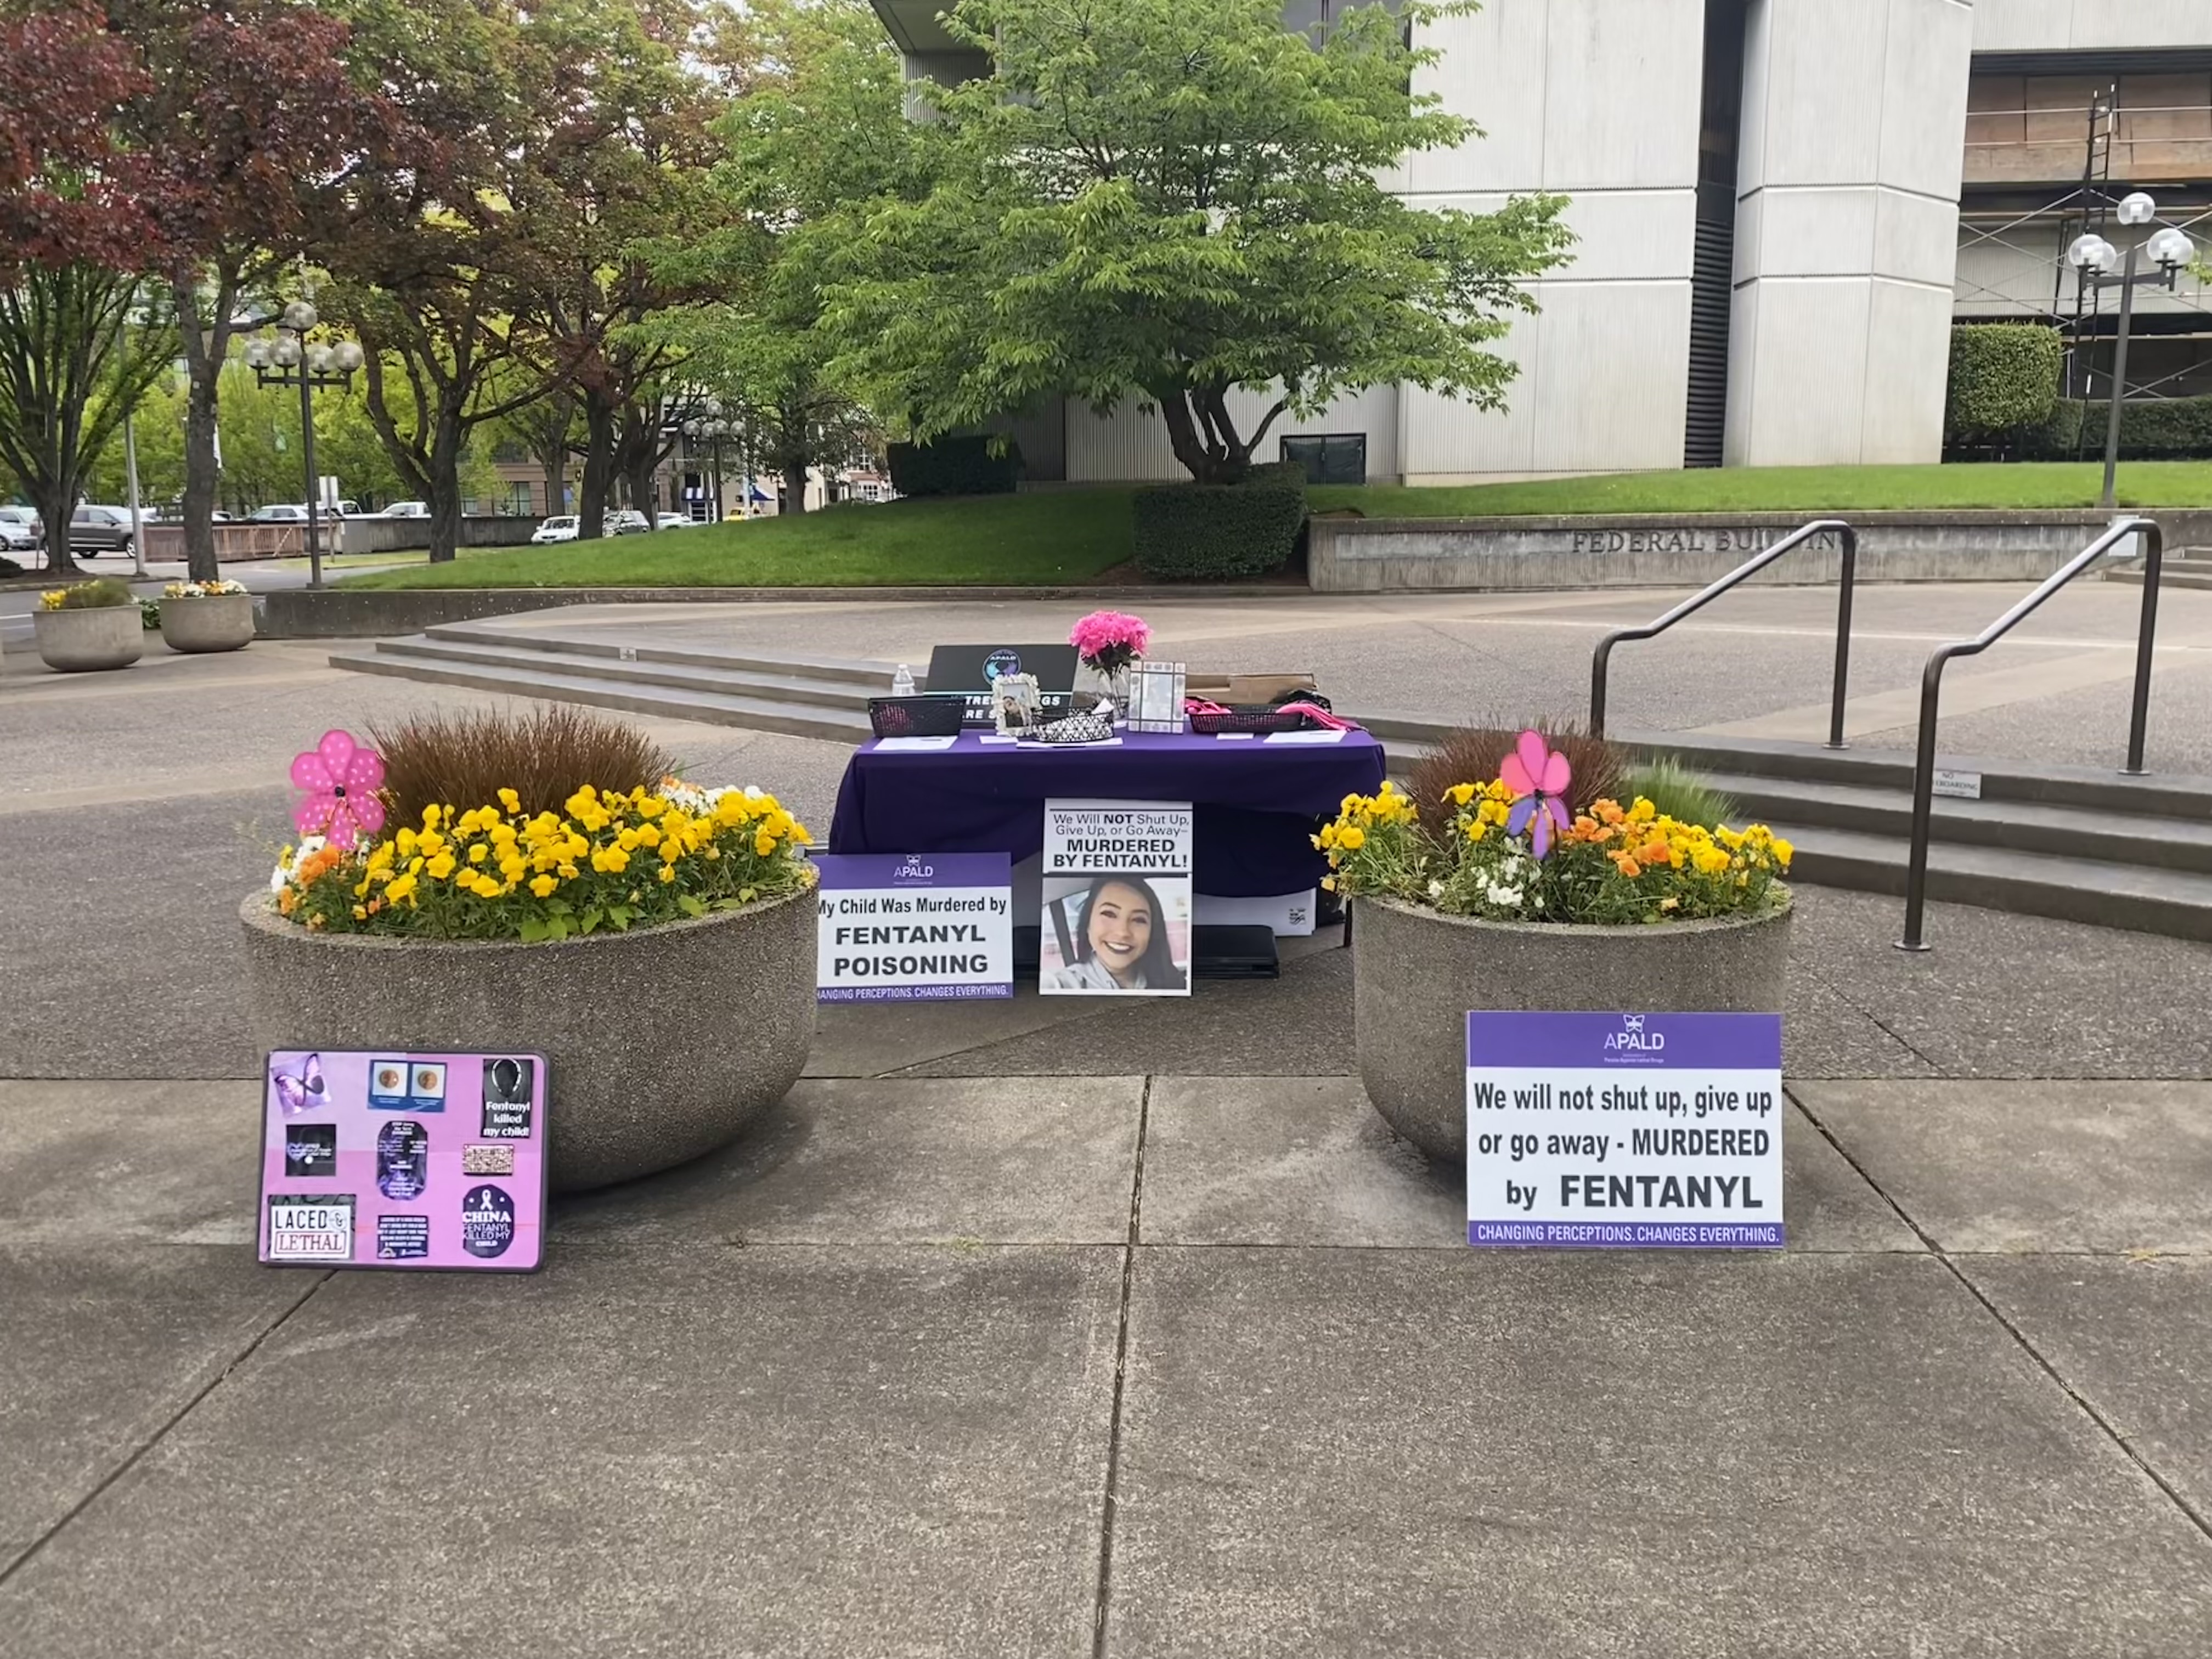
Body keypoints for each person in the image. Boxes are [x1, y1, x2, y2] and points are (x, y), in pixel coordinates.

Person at [1043, 874, 1187, 992]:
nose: (1123, 932)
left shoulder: (1173, 981)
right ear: (1088, 923)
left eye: (1138, 920)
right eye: (1109, 914)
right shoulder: (1063, 984)